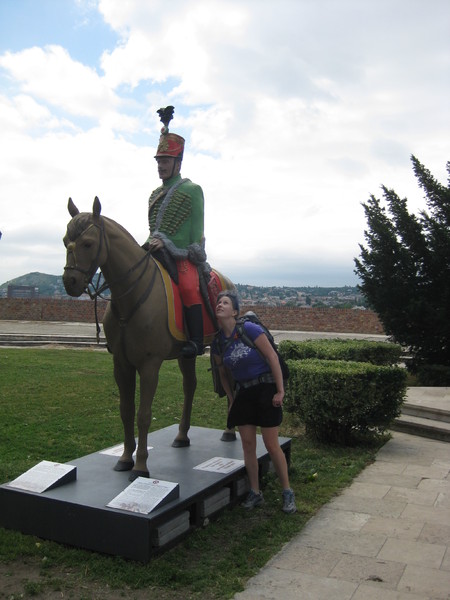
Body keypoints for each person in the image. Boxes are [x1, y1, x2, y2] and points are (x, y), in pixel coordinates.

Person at [211, 290, 297, 514]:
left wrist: (280, 390)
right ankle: (255, 492)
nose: (220, 305)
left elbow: (272, 357)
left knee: (271, 444)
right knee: (248, 445)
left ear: (235, 312)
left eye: (225, 303)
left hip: (265, 388)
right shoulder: (218, 342)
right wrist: (231, 398)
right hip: (244, 393)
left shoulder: (248, 329)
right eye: (218, 302)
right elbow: (222, 373)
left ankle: (287, 491)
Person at [143, 106, 207, 358]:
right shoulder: (153, 194)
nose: (161, 166)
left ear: (178, 163)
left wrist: (168, 244)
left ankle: (196, 341)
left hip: (182, 255)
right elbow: (154, 230)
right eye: (159, 161)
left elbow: (196, 233)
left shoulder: (192, 190)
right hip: (155, 250)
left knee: (189, 287)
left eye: (165, 161)